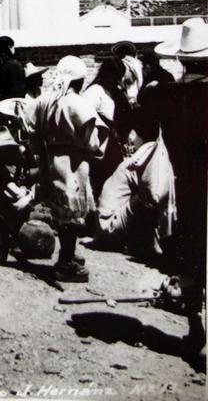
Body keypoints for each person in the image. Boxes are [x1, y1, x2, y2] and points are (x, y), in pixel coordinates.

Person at [140, 18, 208, 369]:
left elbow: (146, 129)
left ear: (181, 60)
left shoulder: (167, 97)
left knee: (195, 254)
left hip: (189, 187)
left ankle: (198, 333)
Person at [32, 55, 105, 282]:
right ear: (80, 81)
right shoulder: (76, 103)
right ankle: (65, 262)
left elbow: (29, 126)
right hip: (73, 163)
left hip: (52, 160)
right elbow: (92, 140)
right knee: (71, 215)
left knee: (63, 213)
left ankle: (68, 254)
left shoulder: (46, 101)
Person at [83, 54, 143, 197]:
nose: (116, 80)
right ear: (106, 74)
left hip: (115, 149)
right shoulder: (94, 92)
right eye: (114, 76)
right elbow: (86, 120)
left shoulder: (116, 92)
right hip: (101, 149)